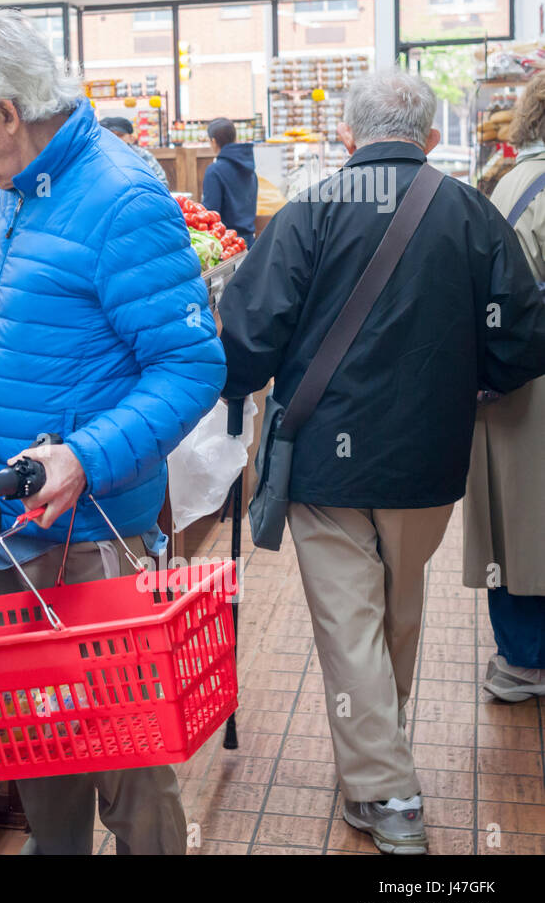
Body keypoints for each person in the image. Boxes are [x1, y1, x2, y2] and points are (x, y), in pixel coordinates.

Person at [218, 69, 545, 855]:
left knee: (349, 620)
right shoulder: (469, 210)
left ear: (347, 138)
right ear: (431, 137)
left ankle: (390, 793)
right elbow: (523, 336)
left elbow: (246, 336)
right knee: (397, 610)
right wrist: (476, 383)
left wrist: (234, 389)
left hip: (323, 463)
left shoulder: (307, 213)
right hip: (429, 460)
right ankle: (377, 760)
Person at [0, 10, 226, 856]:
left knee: (126, 747)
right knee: (37, 728)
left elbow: (190, 365)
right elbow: (24, 270)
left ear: (7, 113)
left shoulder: (121, 197)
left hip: (94, 531)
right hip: (17, 527)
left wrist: (82, 456)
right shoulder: (27, 189)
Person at [463, 71, 545, 702]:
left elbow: (495, 294)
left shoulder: (514, 185)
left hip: (523, 387)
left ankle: (522, 660)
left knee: (517, 523)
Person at [202, 118, 257, 243]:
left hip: (227, 244)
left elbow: (211, 213)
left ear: (214, 141)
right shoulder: (250, 167)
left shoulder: (215, 171)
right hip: (249, 243)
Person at [99, 115, 170, 188]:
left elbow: (162, 183)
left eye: (120, 135)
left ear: (130, 138)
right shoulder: (97, 158)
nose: (115, 138)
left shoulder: (142, 156)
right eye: (109, 135)